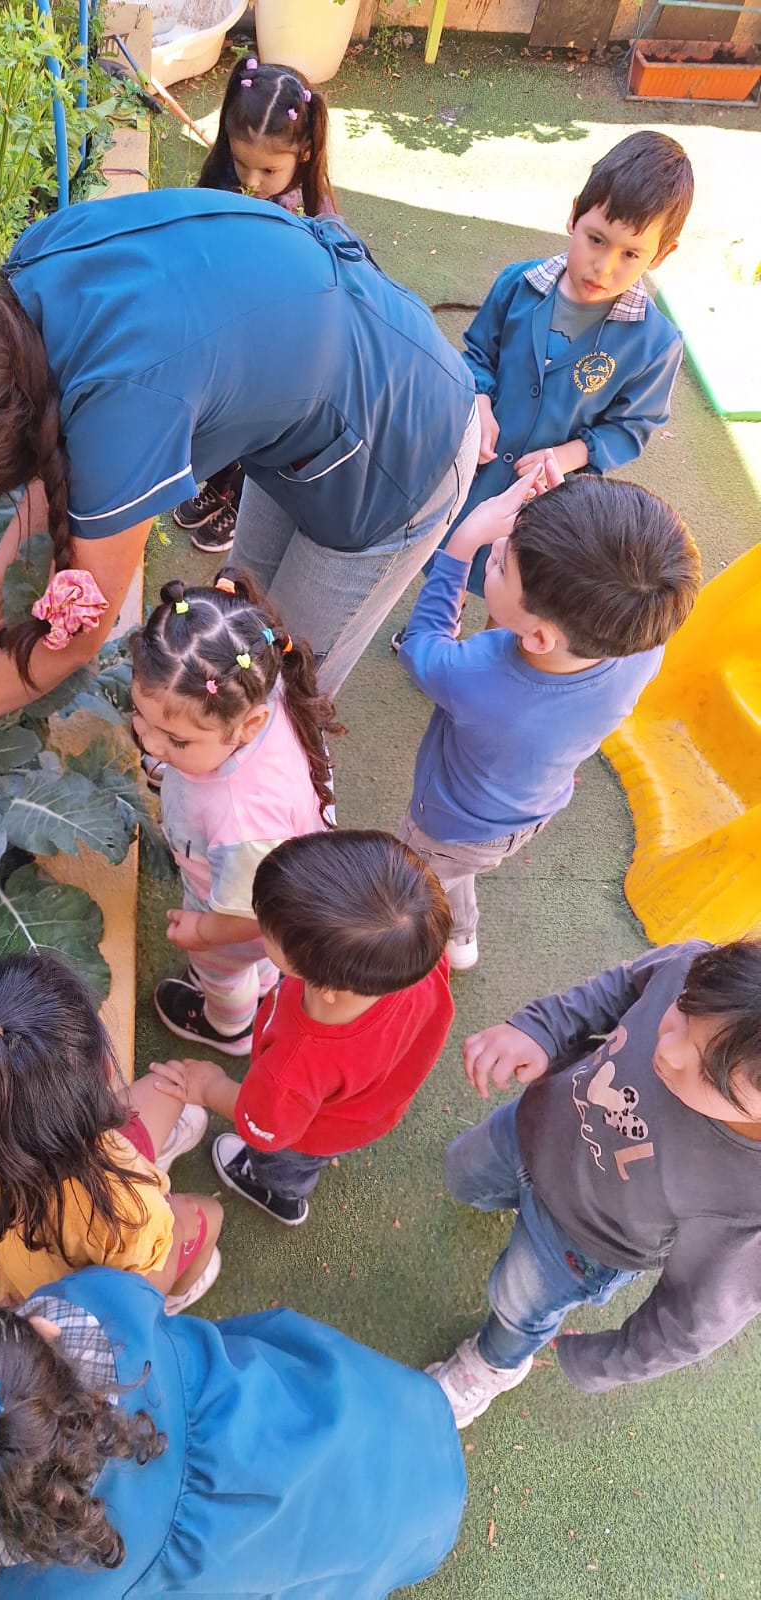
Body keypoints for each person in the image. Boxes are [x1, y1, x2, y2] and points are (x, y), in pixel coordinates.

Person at [0, 186, 479, 788]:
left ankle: (263, 821)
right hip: (314, 397)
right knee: (241, 630)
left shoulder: (122, 411)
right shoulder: (35, 271)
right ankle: (203, 757)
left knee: (279, 692)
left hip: (400, 452)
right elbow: (47, 439)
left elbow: (80, 637)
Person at [0, 1267, 467, 1597]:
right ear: (36, 1333)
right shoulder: (92, 1303)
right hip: (392, 1411)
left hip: (380, 1550)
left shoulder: (52, 1590)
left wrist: (9, 1569)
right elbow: (138, 1288)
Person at [427, 939, 761, 1428]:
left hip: (581, 1243)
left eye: (712, 1075)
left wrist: (605, 1361)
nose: (667, 1049)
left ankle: (494, 1364)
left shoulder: (750, 1202)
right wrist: (541, 1030)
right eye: (684, 1009)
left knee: (517, 1305)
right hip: (531, 1127)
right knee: (462, 1174)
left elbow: (694, 1317)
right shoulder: (699, 971)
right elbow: (622, 987)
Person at [396, 460, 700, 970]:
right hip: (530, 809)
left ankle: (419, 950)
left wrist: (462, 544)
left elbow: (421, 645)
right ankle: (461, 935)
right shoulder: (640, 646)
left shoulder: (480, 675)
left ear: (539, 637)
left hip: (448, 822)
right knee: (452, 873)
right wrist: (565, 520)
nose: (497, 548)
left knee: (412, 880)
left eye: (500, 566)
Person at [424, 128, 692, 610]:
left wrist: (566, 456)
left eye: (630, 254)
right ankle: (443, 620)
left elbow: (631, 427)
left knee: (523, 590)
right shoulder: (519, 284)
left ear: (663, 254)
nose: (602, 267)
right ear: (573, 215)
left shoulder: (656, 344)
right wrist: (479, 398)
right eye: (596, 239)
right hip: (474, 473)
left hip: (548, 497)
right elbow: (479, 353)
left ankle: (500, 647)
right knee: (453, 553)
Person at [149, 829, 454, 1226]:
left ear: (325, 985)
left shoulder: (292, 1069)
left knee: (282, 1162)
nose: (260, 924)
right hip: (374, 1098)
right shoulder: (413, 956)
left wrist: (208, 1086)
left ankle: (280, 1194)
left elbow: (264, 1125)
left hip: (312, 1131)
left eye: (269, 932)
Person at [0, 953, 223, 1314]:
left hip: (41, 1273)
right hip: (104, 1286)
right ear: (106, 1070)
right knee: (207, 1215)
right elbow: (134, 1287)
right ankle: (177, 1298)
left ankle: (151, 1159)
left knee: (167, 1089)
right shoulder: (126, 1209)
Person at [133, 571, 340, 1057]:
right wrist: (178, 746)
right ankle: (262, 979)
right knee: (254, 961)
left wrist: (203, 933)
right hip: (261, 877)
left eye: (176, 740)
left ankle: (228, 1025)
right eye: (141, 715)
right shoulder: (254, 686)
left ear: (249, 725)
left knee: (222, 973)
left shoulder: (241, 819)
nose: (150, 742)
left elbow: (250, 917)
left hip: (236, 919)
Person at [174, 55, 339, 555]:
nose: (253, 178)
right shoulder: (226, 182)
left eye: (269, 169)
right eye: (241, 162)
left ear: (303, 152)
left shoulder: (311, 216)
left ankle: (240, 501)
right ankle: (218, 486)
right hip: (231, 336)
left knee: (258, 435)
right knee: (223, 425)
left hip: (278, 351)